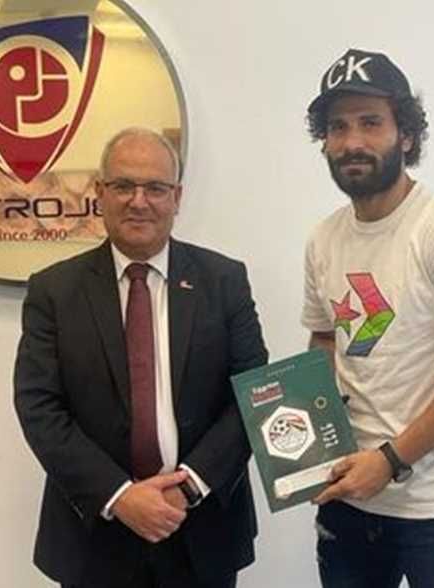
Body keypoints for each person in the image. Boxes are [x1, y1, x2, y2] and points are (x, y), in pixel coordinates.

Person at [14, 128, 267, 588]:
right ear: (99, 192)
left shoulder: (224, 280)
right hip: (95, 534)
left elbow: (254, 394)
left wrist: (188, 485)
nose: (139, 201)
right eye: (123, 186)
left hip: (201, 529)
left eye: (155, 188)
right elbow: (39, 406)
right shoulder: (55, 291)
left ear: (177, 197)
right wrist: (120, 496)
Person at [301, 49, 434, 588]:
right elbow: (325, 340)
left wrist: (388, 460)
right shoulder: (323, 239)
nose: (352, 141)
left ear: (408, 136)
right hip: (347, 496)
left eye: (371, 122)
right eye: (338, 126)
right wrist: (308, 446)